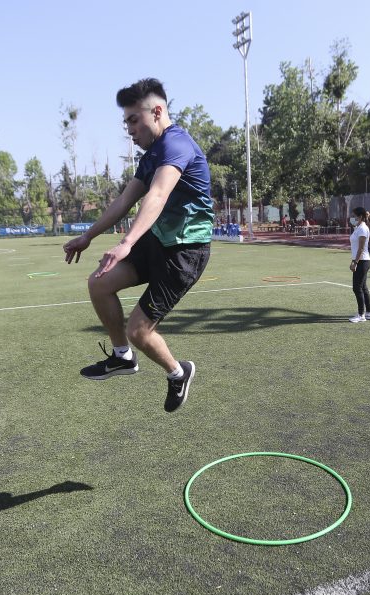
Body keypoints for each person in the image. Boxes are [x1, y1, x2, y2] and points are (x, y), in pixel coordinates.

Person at [63, 78, 213, 412]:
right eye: (126, 122)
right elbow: (124, 201)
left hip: (186, 252)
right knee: (99, 283)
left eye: (134, 120)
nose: (129, 129)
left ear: (157, 111)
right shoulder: (150, 156)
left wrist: (127, 242)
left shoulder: (177, 145)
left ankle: (177, 373)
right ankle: (122, 359)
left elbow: (158, 194)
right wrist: (89, 235)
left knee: (139, 330)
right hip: (158, 241)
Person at [348, 206, 370, 323]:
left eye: (354, 216)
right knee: (363, 287)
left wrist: (355, 262)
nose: (352, 218)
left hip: (362, 261)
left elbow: (361, 248)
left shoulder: (363, 228)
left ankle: (361, 315)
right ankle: (368, 313)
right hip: (362, 260)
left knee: (357, 288)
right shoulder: (359, 227)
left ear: (360, 217)